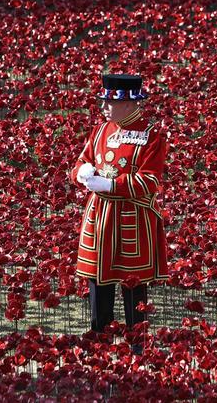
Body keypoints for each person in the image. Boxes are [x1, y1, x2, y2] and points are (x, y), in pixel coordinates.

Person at [71, 74, 169, 350]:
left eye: (109, 103)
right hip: (100, 217)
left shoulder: (152, 135)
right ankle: (100, 343)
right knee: (98, 282)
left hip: (132, 219)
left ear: (129, 104)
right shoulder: (100, 130)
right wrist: (82, 173)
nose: (103, 107)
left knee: (133, 285)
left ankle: (137, 346)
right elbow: (80, 162)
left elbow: (150, 180)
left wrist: (112, 185)